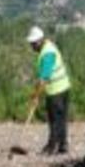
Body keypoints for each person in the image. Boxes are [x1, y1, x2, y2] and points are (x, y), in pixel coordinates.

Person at [27, 26, 71, 155]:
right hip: (64, 87)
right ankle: (63, 145)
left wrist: (35, 95)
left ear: (39, 41)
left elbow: (43, 79)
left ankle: (52, 146)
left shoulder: (47, 54)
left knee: (54, 120)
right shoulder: (49, 45)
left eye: (33, 44)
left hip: (56, 91)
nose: (31, 46)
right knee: (62, 118)